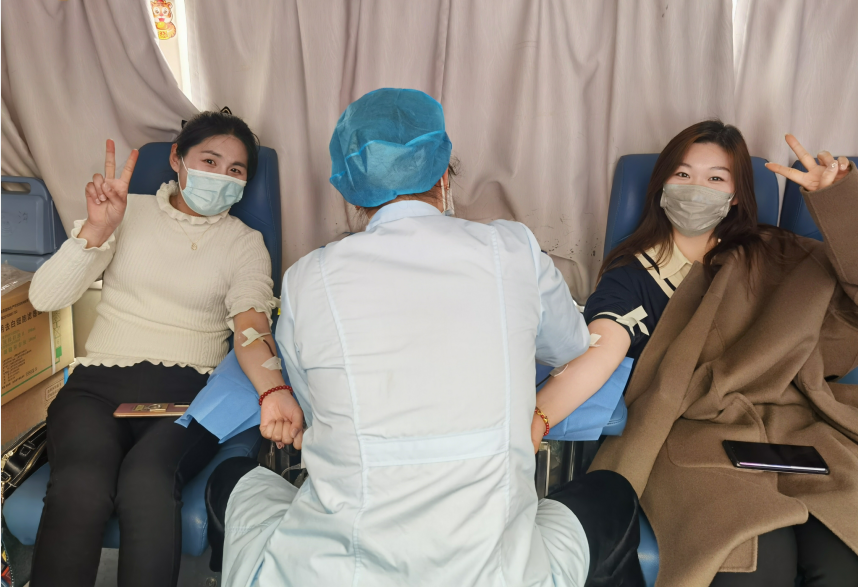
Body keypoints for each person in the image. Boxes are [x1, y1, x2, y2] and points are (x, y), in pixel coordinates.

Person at [203, 88, 645, 586]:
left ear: (351, 193)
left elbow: (314, 404)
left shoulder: (309, 278)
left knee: (230, 480)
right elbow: (568, 347)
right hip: (492, 573)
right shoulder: (512, 249)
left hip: (336, 572)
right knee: (609, 495)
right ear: (443, 177)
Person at [534, 120, 858, 586]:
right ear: (662, 185)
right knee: (754, 561)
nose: (696, 188)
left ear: (736, 195)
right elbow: (601, 349)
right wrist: (536, 421)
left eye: (715, 178)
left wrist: (840, 204)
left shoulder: (783, 255)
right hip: (693, 434)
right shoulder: (634, 274)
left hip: (800, 431)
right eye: (683, 174)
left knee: (842, 559)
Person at [27, 111, 277, 587]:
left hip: (189, 394)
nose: (221, 177)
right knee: (80, 484)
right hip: (96, 387)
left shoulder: (245, 244)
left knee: (148, 481)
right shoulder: (124, 212)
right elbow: (45, 298)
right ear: (177, 159)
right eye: (209, 161)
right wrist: (95, 231)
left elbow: (251, 323)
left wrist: (274, 390)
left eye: (236, 170)